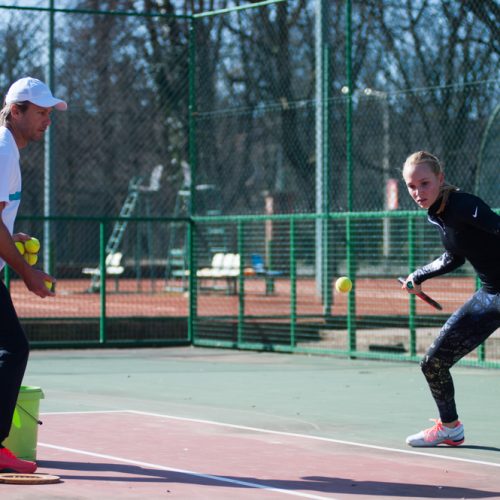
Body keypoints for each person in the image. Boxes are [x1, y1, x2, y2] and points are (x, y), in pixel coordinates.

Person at [401, 150, 500, 447]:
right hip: (492, 295)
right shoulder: (438, 214)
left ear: (440, 179)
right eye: (411, 186)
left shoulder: (465, 205)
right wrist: (418, 276)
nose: (418, 192)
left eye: (425, 183)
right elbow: (455, 256)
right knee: (433, 363)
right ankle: (450, 428)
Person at [0, 77, 66, 472]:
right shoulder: (4, 149)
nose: (47, 120)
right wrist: (25, 271)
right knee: (13, 348)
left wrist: (13, 235)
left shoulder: (9, 149)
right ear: (16, 111)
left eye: (49, 113)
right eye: (40, 112)